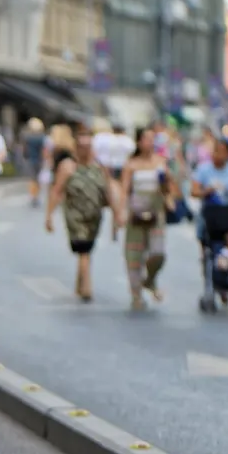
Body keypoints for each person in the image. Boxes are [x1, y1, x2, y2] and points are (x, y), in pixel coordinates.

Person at [45, 125, 119, 301]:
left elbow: (108, 191)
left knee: (86, 249)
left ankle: (80, 284)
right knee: (83, 247)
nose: (86, 150)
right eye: (82, 147)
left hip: (94, 215)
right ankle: (87, 287)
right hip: (74, 214)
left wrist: (116, 215)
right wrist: (49, 216)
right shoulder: (67, 167)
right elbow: (57, 191)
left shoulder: (100, 167)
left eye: (88, 146)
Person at [121, 128, 175, 310]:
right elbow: (124, 190)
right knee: (134, 256)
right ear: (139, 142)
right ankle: (136, 295)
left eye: (152, 139)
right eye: (146, 139)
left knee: (158, 253)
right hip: (136, 213)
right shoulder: (131, 164)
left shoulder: (161, 163)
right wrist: (121, 212)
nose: (149, 143)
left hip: (155, 212)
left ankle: (150, 279)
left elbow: (168, 189)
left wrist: (167, 183)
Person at [191, 138, 228, 306]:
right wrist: (208, 190)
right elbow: (194, 191)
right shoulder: (204, 170)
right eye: (215, 151)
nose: (216, 155)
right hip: (210, 218)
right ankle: (214, 284)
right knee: (208, 252)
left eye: (221, 151)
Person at [22, 117, 47, 208]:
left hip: (30, 159)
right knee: (37, 179)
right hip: (39, 160)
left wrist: (25, 156)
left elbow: (25, 149)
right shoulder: (42, 137)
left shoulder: (28, 137)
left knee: (32, 179)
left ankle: (33, 196)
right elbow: (44, 150)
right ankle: (36, 195)